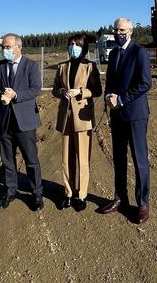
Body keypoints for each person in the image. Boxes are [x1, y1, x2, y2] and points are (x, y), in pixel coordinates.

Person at [98, 17, 153, 224]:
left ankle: (142, 204)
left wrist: (121, 99)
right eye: (115, 29)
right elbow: (110, 81)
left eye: (122, 30)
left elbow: (145, 83)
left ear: (130, 31)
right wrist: (108, 97)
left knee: (139, 160)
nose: (118, 33)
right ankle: (120, 198)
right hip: (117, 115)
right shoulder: (113, 54)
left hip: (135, 114)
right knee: (119, 158)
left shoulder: (139, 52)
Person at [0, 33, 44, 211]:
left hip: (25, 121)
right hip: (4, 120)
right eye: (3, 47)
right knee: (7, 159)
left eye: (8, 47)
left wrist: (16, 95)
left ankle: (36, 194)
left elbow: (36, 89)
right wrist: (1, 96)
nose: (4, 50)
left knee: (31, 160)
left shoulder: (31, 65)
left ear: (19, 47)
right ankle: (10, 191)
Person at [52, 34, 102, 211]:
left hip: (82, 117)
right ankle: (68, 193)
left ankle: (81, 194)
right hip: (66, 117)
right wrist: (61, 92)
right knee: (66, 158)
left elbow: (97, 90)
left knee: (82, 157)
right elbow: (54, 89)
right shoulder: (62, 67)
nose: (73, 47)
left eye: (77, 44)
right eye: (71, 44)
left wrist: (80, 92)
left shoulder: (90, 66)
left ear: (84, 47)